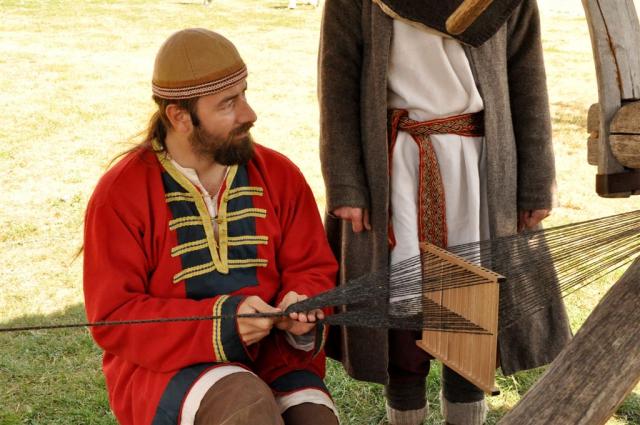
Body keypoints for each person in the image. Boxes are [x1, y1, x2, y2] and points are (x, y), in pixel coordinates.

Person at [318, 0, 572, 424]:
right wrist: (346, 181)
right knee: (401, 317)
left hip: (477, 169)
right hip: (395, 168)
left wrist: (535, 182)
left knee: (468, 317)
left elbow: (527, 77)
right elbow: (338, 76)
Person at [83, 28, 339, 425]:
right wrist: (221, 324)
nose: (249, 114)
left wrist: (301, 302)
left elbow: (313, 266)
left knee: (314, 420)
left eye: (244, 94)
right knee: (245, 407)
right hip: (168, 368)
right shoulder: (121, 193)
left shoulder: (280, 175)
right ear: (179, 116)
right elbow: (115, 316)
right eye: (228, 104)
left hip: (274, 357)